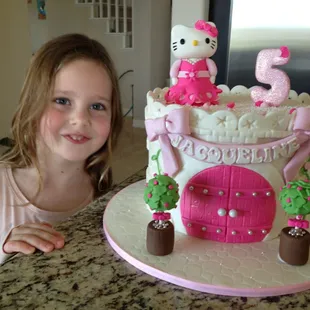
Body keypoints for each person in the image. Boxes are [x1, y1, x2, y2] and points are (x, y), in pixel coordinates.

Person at [0, 33, 123, 264]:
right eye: (62, 101)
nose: (80, 119)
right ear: (31, 104)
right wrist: (4, 254)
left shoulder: (104, 192)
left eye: (97, 106)